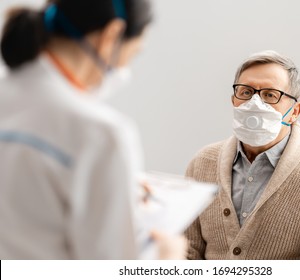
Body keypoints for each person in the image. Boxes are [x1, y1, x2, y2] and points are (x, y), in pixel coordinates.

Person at [0, 0, 186, 259]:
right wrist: (164, 258)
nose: (124, 70)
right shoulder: (99, 133)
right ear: (112, 35)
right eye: (132, 54)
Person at [184, 50, 300, 260]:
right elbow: (185, 253)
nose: (255, 103)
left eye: (270, 95)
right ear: (233, 100)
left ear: (294, 111)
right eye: (246, 92)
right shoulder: (202, 163)